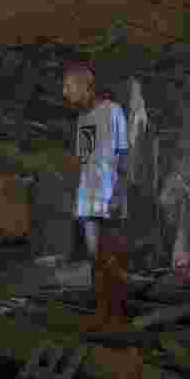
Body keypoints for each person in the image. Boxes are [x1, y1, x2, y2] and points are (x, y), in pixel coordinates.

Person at [62, 61, 129, 331]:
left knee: (110, 260)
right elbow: (85, 161)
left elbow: (124, 155)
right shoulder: (82, 119)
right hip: (86, 199)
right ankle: (102, 313)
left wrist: (118, 196)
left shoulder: (113, 111)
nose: (65, 93)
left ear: (83, 85)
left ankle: (116, 316)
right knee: (95, 260)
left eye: (68, 87)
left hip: (108, 197)